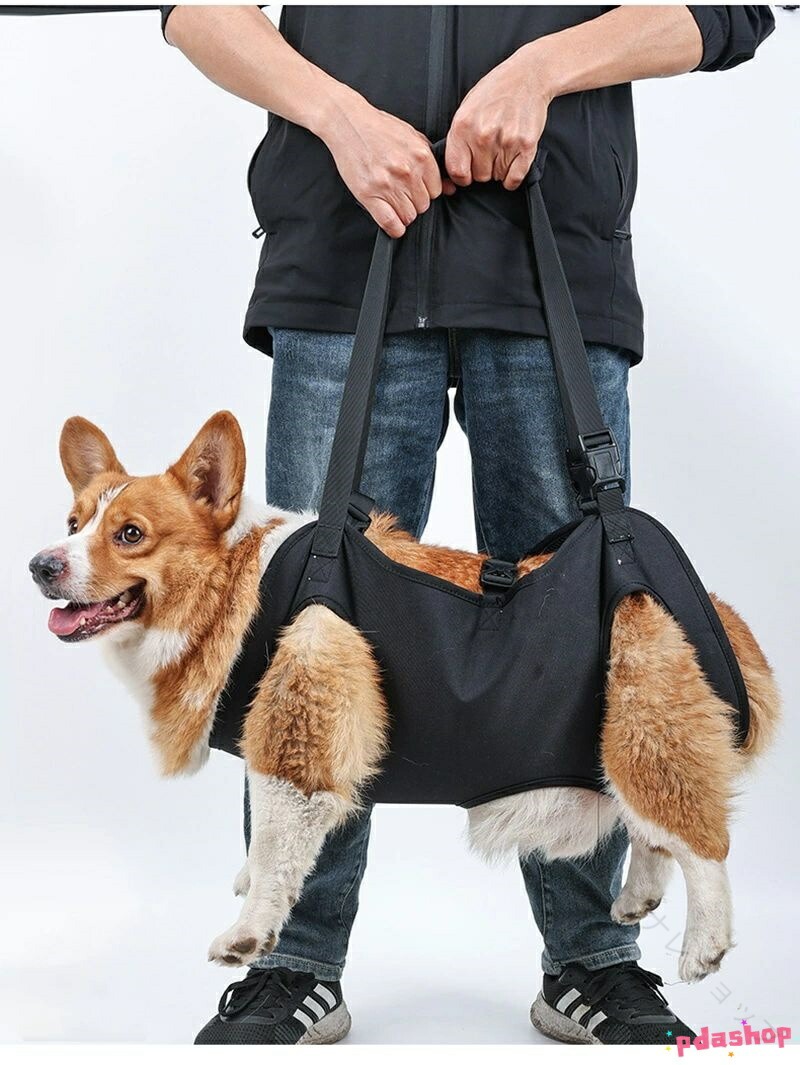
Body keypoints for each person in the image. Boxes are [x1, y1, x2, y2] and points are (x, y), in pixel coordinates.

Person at [161, 5, 774, 1046]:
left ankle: (592, 960)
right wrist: (340, 118)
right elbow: (191, 10)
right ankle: (293, 962)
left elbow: (731, 12)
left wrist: (543, 69)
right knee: (312, 623)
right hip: (341, 259)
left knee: (581, 622)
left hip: (549, 265)